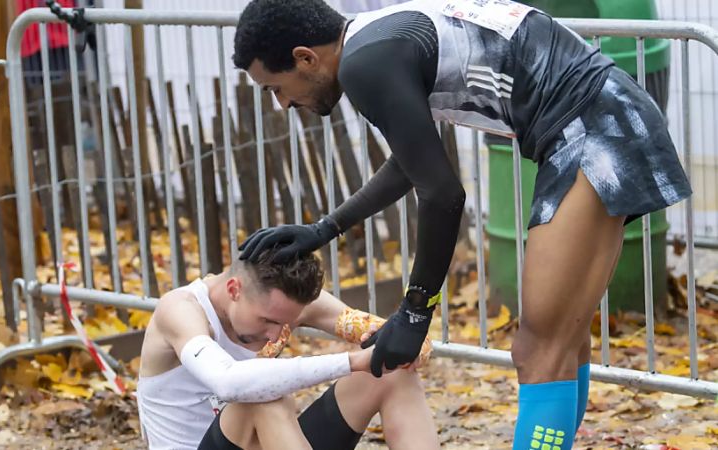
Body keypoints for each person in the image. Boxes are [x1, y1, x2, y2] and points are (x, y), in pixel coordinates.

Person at [232, 1, 692, 448]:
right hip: (604, 120)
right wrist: (327, 228)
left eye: (275, 88)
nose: (283, 105)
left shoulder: (365, 65)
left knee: (539, 352)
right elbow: (414, 163)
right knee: (561, 345)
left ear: (305, 58)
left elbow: (443, 194)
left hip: (591, 133)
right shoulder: (380, 36)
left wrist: (415, 312)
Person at [136, 249, 437, 449]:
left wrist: (400, 343)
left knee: (389, 373)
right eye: (268, 320)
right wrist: (353, 360)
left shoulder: (287, 304)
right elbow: (228, 382)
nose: (275, 333)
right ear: (234, 290)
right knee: (262, 399)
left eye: (286, 323)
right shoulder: (181, 310)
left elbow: (403, 341)